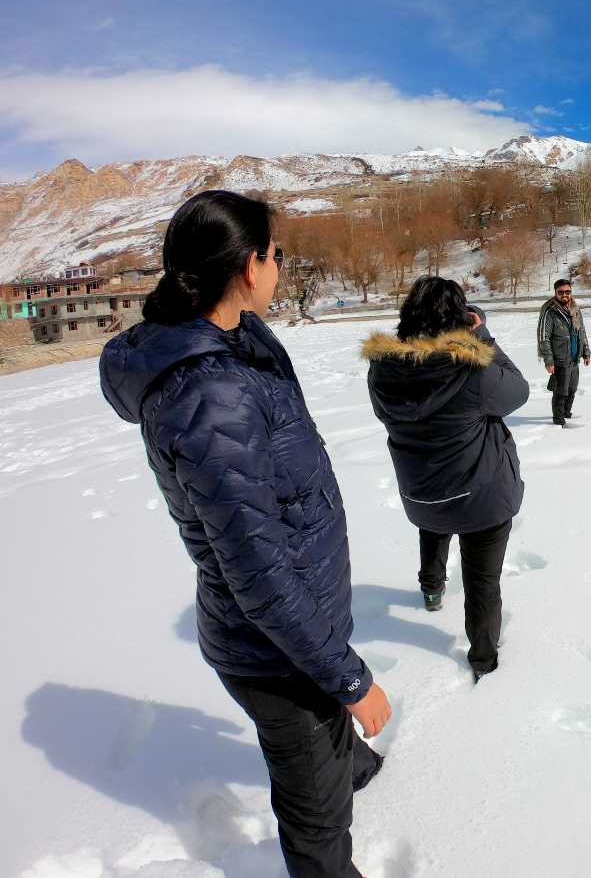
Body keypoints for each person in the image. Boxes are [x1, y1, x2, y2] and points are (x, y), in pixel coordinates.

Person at [99, 190, 388, 878]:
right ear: (247, 266)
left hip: (295, 616)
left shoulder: (237, 338)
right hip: (274, 651)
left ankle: (348, 764)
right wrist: (351, 681)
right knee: (317, 824)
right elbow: (259, 575)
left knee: (323, 744)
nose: (280, 267)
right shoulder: (211, 394)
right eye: (274, 253)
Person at [363, 276, 529, 682]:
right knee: (483, 581)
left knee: (434, 526)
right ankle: (484, 660)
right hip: (481, 498)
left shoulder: (381, 372)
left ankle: (432, 590)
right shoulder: (472, 371)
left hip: (423, 495)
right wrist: (482, 336)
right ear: (459, 317)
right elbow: (519, 390)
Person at [537, 278, 591, 427]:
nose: (565, 295)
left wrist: (586, 352)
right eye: (561, 292)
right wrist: (548, 360)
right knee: (561, 391)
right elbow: (544, 337)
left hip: (574, 357)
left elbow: (582, 332)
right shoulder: (550, 312)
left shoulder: (575, 309)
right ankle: (558, 419)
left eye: (568, 292)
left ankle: (567, 412)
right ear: (555, 293)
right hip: (559, 359)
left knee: (572, 389)